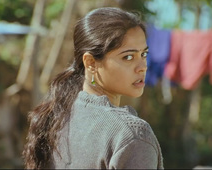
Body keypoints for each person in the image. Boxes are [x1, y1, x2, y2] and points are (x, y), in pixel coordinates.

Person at [23, 7, 164, 169]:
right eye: (128, 57)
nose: (142, 67)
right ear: (90, 63)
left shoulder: (56, 118)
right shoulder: (131, 135)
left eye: (144, 54)